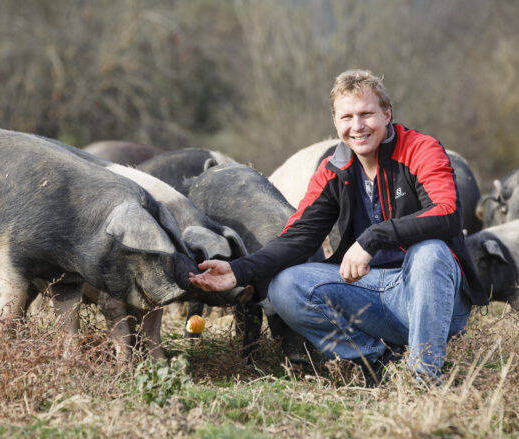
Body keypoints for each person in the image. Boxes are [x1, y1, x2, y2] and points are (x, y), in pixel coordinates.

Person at [189, 69, 488, 387]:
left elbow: (448, 214)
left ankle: (422, 378)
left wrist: (374, 237)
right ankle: (377, 362)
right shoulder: (333, 168)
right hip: (373, 295)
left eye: (366, 114)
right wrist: (237, 271)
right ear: (335, 121)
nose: (357, 127)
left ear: (387, 114)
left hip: (434, 300)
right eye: (347, 117)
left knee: (430, 251)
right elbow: (298, 237)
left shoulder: (421, 149)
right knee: (285, 286)